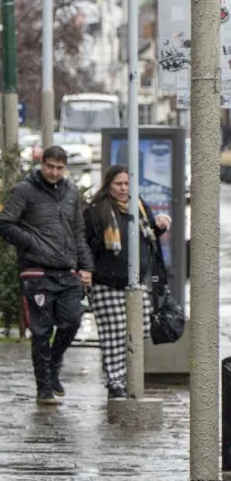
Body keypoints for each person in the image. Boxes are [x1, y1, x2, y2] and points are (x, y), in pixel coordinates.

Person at [0, 146, 94, 405]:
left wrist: (86, 266)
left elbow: (78, 233)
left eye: (60, 168)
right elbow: (4, 223)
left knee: (72, 320)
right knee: (41, 330)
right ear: (41, 164)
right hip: (36, 270)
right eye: (50, 166)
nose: (54, 172)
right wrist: (30, 242)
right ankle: (44, 387)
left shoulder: (71, 193)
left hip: (66, 270)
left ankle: (54, 362)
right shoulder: (24, 191)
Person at [84, 165, 171, 399]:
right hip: (105, 282)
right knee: (114, 332)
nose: (123, 189)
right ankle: (115, 381)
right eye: (118, 184)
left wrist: (159, 226)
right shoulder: (98, 210)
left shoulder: (139, 206)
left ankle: (122, 373)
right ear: (108, 185)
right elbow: (85, 241)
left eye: (127, 184)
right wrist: (86, 269)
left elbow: (148, 235)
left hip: (135, 283)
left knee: (140, 327)